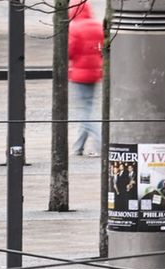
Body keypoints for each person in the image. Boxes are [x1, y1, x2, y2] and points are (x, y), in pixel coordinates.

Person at [68, 0, 104, 156]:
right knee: (88, 107)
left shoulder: (75, 27)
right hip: (95, 72)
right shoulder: (97, 25)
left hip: (79, 73)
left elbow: (69, 52)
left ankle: (102, 143)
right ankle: (78, 148)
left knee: (85, 111)